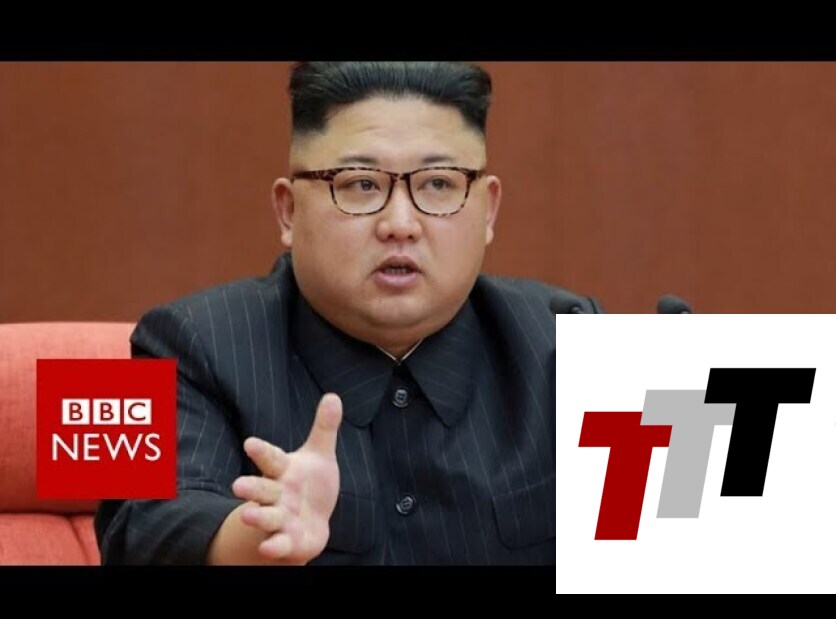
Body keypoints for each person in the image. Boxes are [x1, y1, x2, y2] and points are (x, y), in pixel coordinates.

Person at [95, 61, 596, 565]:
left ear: (488, 210)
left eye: (439, 184)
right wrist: (257, 540)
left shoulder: (582, 333)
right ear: (288, 210)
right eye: (360, 184)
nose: (401, 224)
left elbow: (643, 560)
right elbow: (129, 529)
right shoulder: (165, 337)